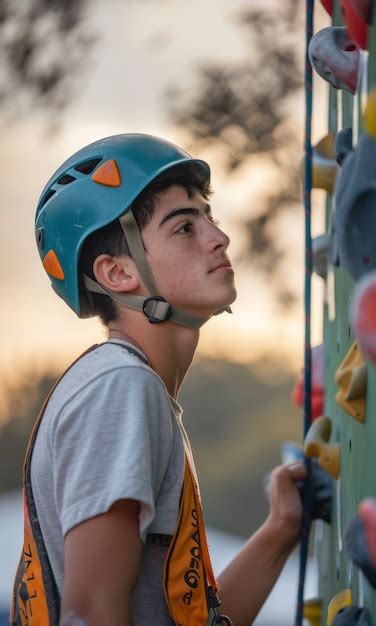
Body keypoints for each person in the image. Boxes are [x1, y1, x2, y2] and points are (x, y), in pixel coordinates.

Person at [11, 134, 306, 626]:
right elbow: (91, 615)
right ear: (117, 272)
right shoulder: (120, 387)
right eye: (185, 227)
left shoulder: (132, 387)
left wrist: (281, 528)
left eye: (209, 218)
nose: (218, 237)